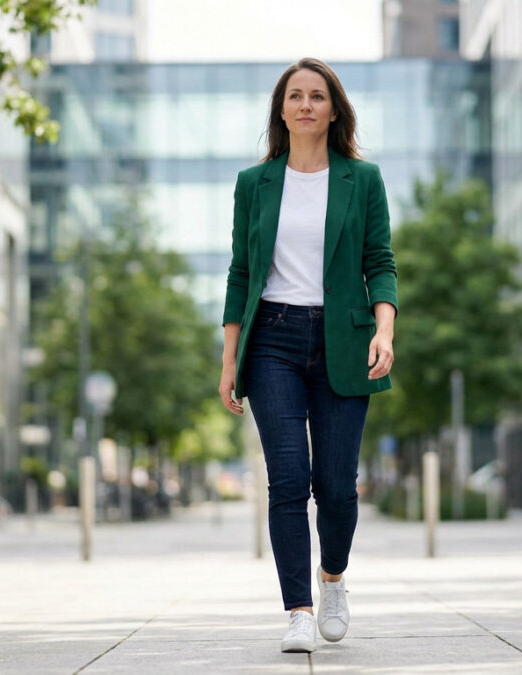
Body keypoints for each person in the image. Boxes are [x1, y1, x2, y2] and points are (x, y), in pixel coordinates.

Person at [218, 57, 397, 654]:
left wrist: (384, 331)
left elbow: (381, 264)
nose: (304, 105)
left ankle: (334, 581)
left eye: (316, 96)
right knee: (288, 478)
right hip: (271, 338)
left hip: (343, 339)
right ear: (281, 109)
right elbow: (241, 273)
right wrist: (228, 362)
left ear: (333, 109)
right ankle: (297, 609)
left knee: (338, 486)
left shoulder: (362, 180)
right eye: (294, 95)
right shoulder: (254, 183)